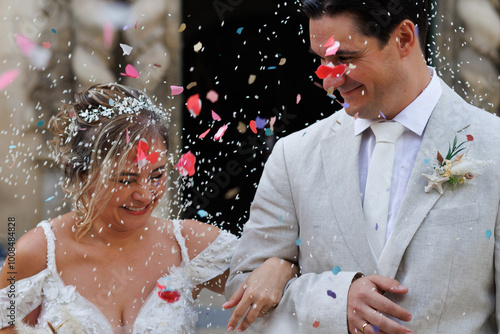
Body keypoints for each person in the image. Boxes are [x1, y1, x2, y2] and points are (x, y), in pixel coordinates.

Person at [226, 0, 500, 333]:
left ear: (403, 39)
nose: (328, 80)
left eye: (344, 58)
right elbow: (242, 294)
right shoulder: (293, 156)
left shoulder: (493, 146)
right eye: (322, 60)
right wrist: (333, 301)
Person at [0, 83, 297, 333]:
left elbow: (280, 291)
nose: (145, 194)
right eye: (125, 179)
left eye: (156, 175)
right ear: (82, 175)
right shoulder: (33, 254)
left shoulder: (189, 244)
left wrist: (282, 265)